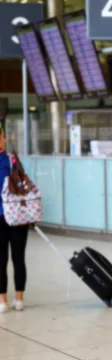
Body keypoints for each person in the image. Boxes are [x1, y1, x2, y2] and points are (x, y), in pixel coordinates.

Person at [0, 125, 29, 313]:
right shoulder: (12, 159)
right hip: (17, 215)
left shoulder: (11, 159)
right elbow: (24, 185)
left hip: (3, 217)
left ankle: (2, 301)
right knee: (18, 258)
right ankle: (19, 300)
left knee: (0, 260)